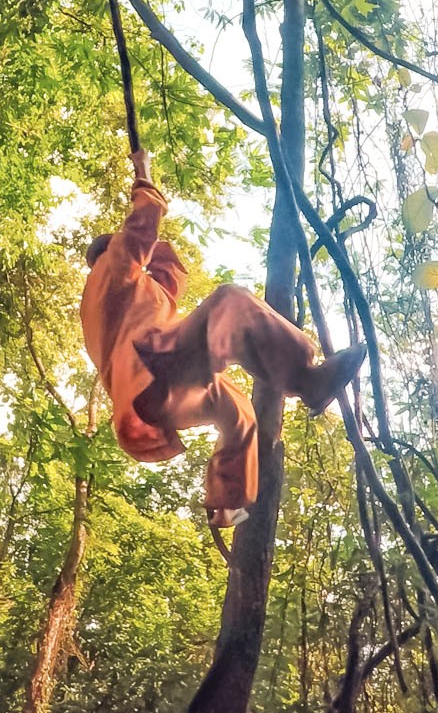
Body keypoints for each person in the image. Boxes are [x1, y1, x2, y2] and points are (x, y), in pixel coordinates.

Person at [81, 148, 366, 525]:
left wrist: (155, 254)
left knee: (233, 407)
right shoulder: (109, 272)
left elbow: (170, 281)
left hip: (153, 395)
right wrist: (143, 173)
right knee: (230, 303)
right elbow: (140, 228)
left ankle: (227, 501)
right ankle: (308, 380)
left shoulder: (122, 299)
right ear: (108, 249)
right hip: (155, 370)